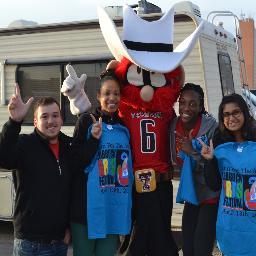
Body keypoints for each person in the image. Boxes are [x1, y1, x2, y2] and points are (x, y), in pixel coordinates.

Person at [0, 86, 72, 256]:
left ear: (61, 119)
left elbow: (73, 189)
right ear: (35, 122)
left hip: (59, 242)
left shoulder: (69, 147)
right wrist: (14, 122)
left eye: (55, 115)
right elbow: (4, 158)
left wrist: (70, 227)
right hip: (29, 243)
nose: (50, 121)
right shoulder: (24, 144)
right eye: (44, 117)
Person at [70, 69, 133, 256]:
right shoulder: (86, 121)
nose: (112, 98)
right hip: (86, 212)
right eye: (107, 93)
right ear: (98, 96)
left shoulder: (123, 128)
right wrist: (94, 140)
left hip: (113, 210)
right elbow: (75, 163)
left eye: (116, 93)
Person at [200, 93, 256, 256]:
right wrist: (210, 161)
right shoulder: (219, 146)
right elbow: (214, 184)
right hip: (230, 225)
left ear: (244, 113)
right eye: (226, 114)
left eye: (236, 112)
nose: (231, 117)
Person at [170, 83, 220, 256]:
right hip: (191, 196)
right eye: (182, 102)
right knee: (188, 249)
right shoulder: (173, 126)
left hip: (209, 196)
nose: (186, 108)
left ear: (201, 106)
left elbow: (215, 166)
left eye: (192, 104)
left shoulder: (211, 127)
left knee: (201, 249)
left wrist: (193, 152)